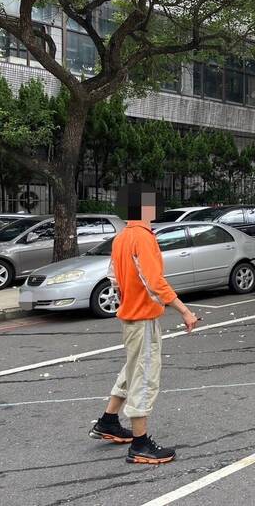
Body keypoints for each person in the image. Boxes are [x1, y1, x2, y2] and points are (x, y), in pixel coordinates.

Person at [89, 184, 199, 464]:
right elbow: (155, 282)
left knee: (132, 369)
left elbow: (113, 278)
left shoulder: (121, 238)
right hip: (143, 317)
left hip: (129, 315)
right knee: (145, 376)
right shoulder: (144, 238)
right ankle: (140, 444)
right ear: (146, 208)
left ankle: (108, 421)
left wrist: (129, 298)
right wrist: (184, 311)